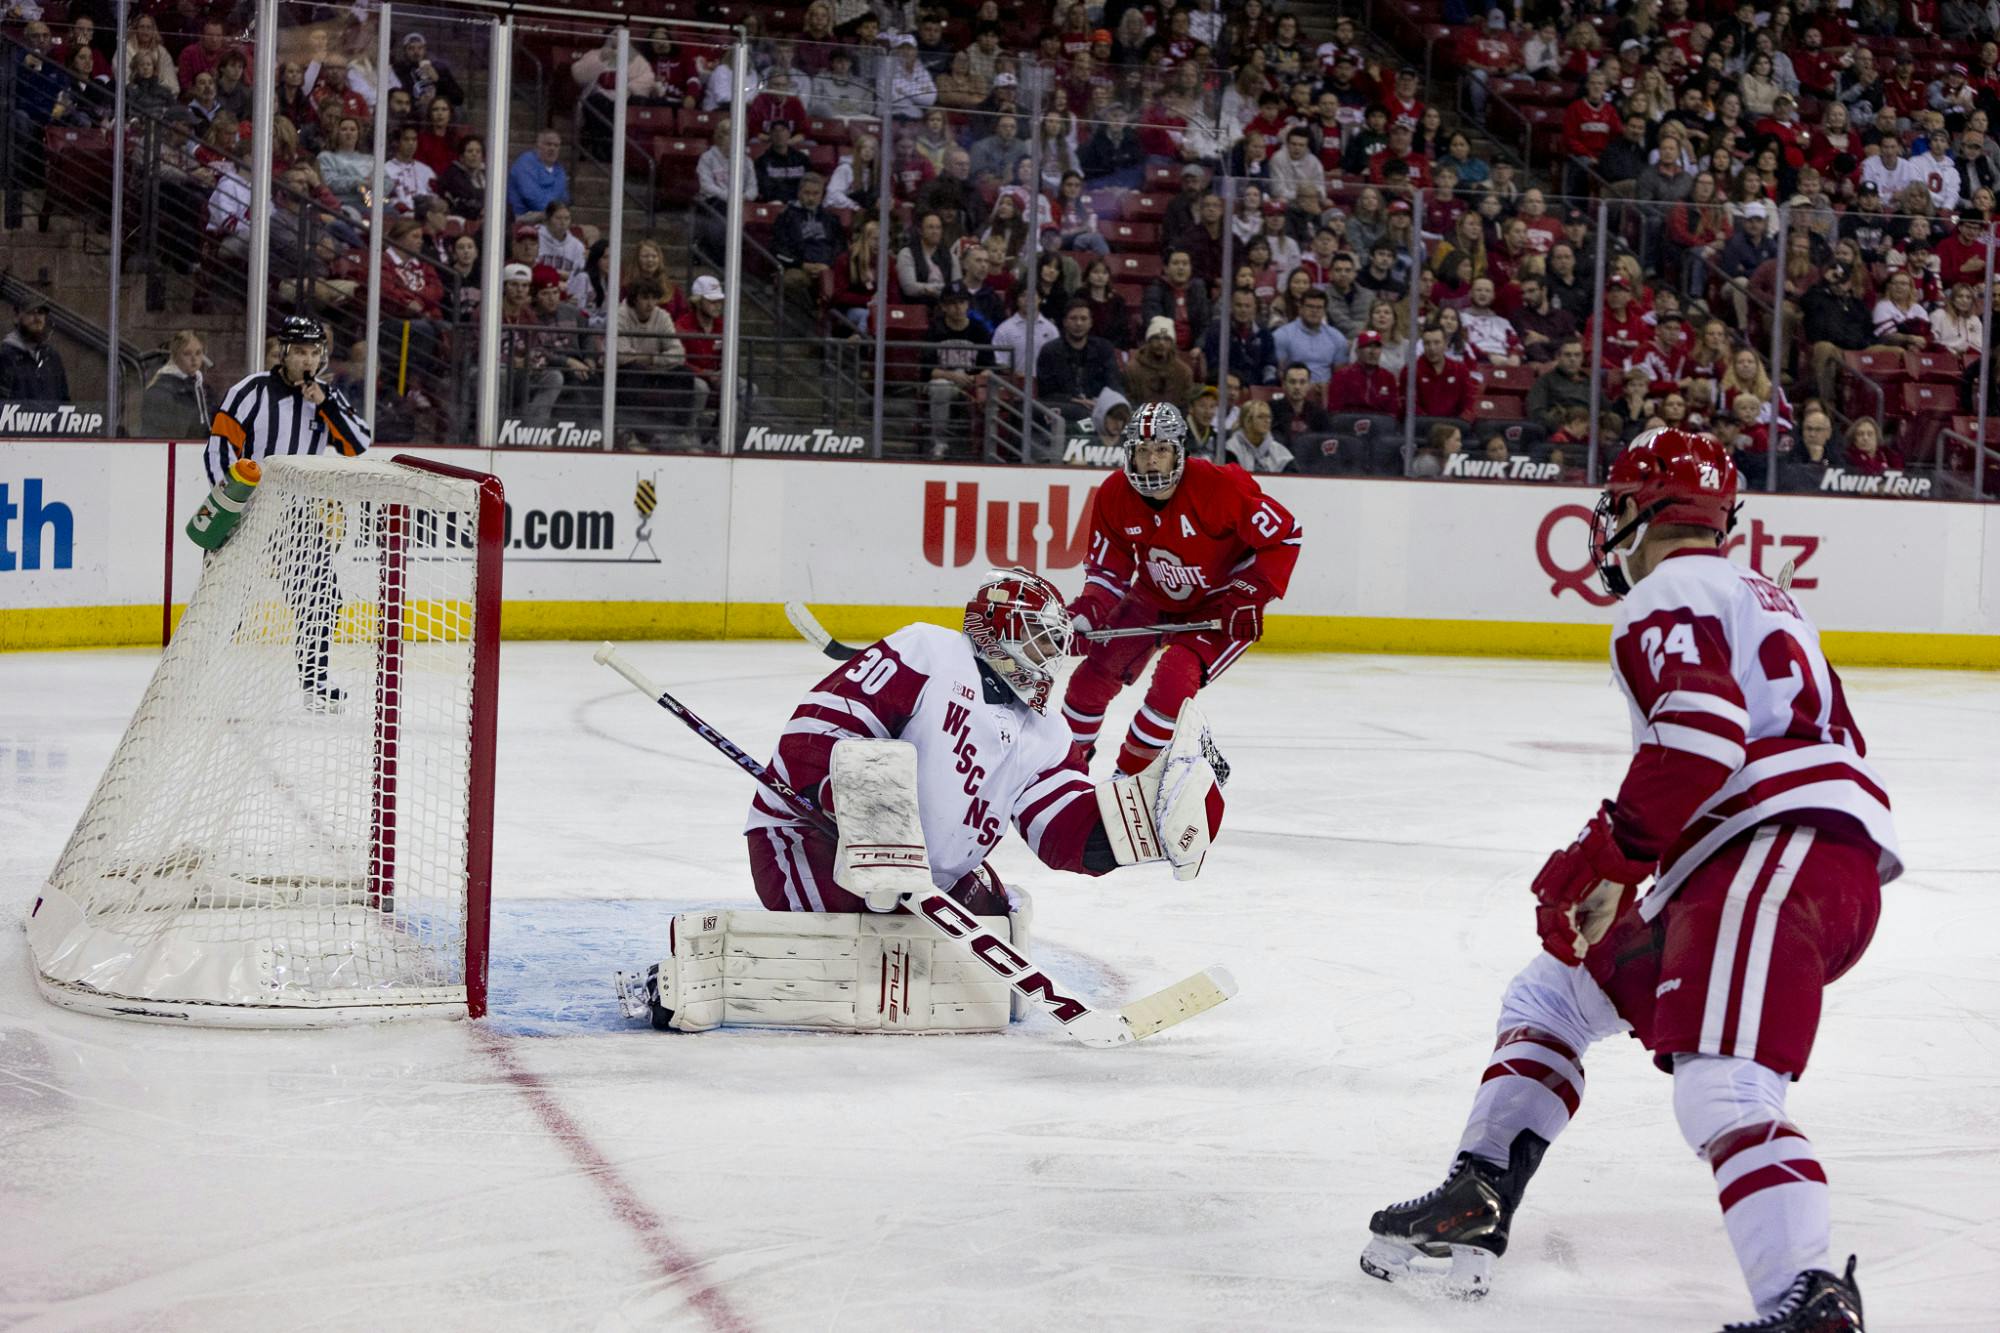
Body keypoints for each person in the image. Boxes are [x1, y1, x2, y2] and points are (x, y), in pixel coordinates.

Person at [1363, 427, 1895, 1332]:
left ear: (1645, 511)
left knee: (1724, 1087)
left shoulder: (1669, 587)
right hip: (1773, 861)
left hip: (1772, 859)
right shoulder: (1751, 592)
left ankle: (1808, 1298)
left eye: (1616, 506)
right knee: (1559, 988)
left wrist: (1608, 851)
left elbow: (1699, 737)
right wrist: (1621, 859)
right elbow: (1719, 745)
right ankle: (1480, 1191)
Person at [644, 565, 1228, 1033]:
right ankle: (699, 972)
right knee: (881, 948)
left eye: (1055, 644)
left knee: (994, 926)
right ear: (999, 628)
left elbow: (1063, 833)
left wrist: (1147, 824)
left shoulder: (1047, 733)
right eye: (1039, 639)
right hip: (812, 843)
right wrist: (866, 821)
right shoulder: (929, 652)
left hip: (927, 881)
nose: (1050, 657)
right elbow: (818, 730)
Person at [1059, 403, 1303, 775]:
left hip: (1220, 605)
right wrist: (1090, 610)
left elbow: (1285, 535)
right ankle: (1062, 771)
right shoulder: (1114, 494)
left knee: (1173, 682)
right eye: (1142, 450)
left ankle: (1129, 780)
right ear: (1129, 453)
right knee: (1091, 679)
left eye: (1162, 449)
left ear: (1179, 452)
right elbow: (1110, 570)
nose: (1152, 460)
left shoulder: (1219, 485)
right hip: (1152, 596)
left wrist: (1250, 594)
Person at [204, 317, 374, 710]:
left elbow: (358, 443)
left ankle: (315, 681)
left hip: (298, 514)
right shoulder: (251, 391)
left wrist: (325, 404)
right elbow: (219, 447)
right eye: (300, 352)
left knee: (322, 595)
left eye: (314, 352)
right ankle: (199, 676)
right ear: (283, 353)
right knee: (224, 601)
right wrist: (231, 503)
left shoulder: (326, 397)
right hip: (247, 509)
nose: (308, 360)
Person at [923, 285, 994, 459]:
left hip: (972, 383)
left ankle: (987, 447)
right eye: (952, 303)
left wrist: (973, 378)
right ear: (943, 306)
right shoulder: (934, 330)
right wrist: (952, 376)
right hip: (944, 382)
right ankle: (939, 443)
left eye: (962, 302)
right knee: (940, 387)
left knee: (991, 391)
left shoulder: (979, 329)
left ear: (968, 304)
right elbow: (927, 370)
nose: (958, 307)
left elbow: (989, 367)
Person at [0, 295, 69, 411]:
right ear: (16, 317)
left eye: (41, 313)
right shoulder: (5, 356)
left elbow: (64, 401)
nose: (37, 318)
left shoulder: (51, 357)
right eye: (31, 312)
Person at [140, 330, 211, 438]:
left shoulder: (204, 389)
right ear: (175, 356)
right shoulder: (160, 391)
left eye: (198, 353)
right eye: (187, 353)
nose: (194, 359)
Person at [1125, 317, 1195, 410]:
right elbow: (1130, 401)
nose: (1161, 343)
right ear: (1149, 341)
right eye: (1156, 338)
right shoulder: (1133, 369)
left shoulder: (1183, 372)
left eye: (1166, 339)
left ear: (1172, 344)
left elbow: (1185, 404)